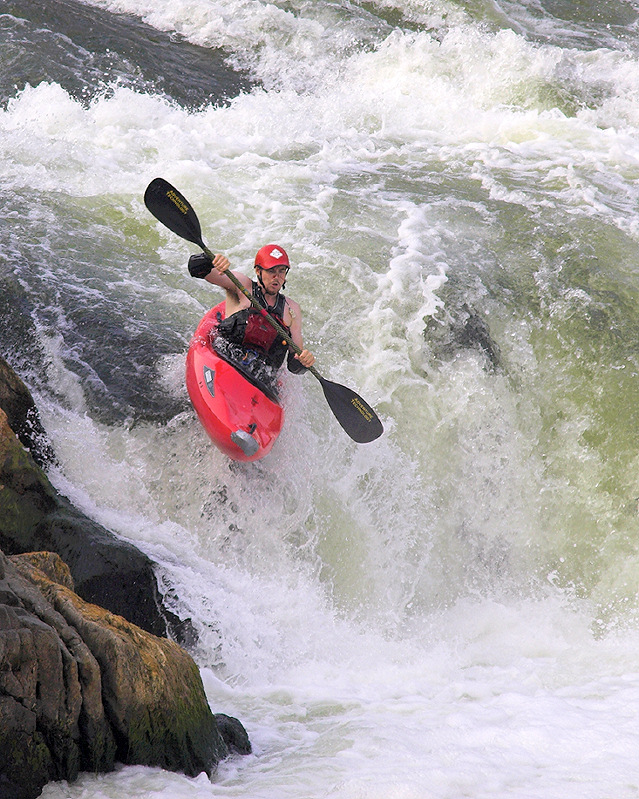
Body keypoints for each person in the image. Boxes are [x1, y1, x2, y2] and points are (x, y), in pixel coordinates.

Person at [187, 244, 315, 392]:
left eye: (281, 271)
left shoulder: (292, 310)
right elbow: (196, 269)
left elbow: (294, 364)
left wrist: (304, 362)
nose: (277, 277)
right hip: (225, 362)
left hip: (261, 381)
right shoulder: (242, 286)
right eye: (271, 271)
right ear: (258, 271)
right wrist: (210, 260)